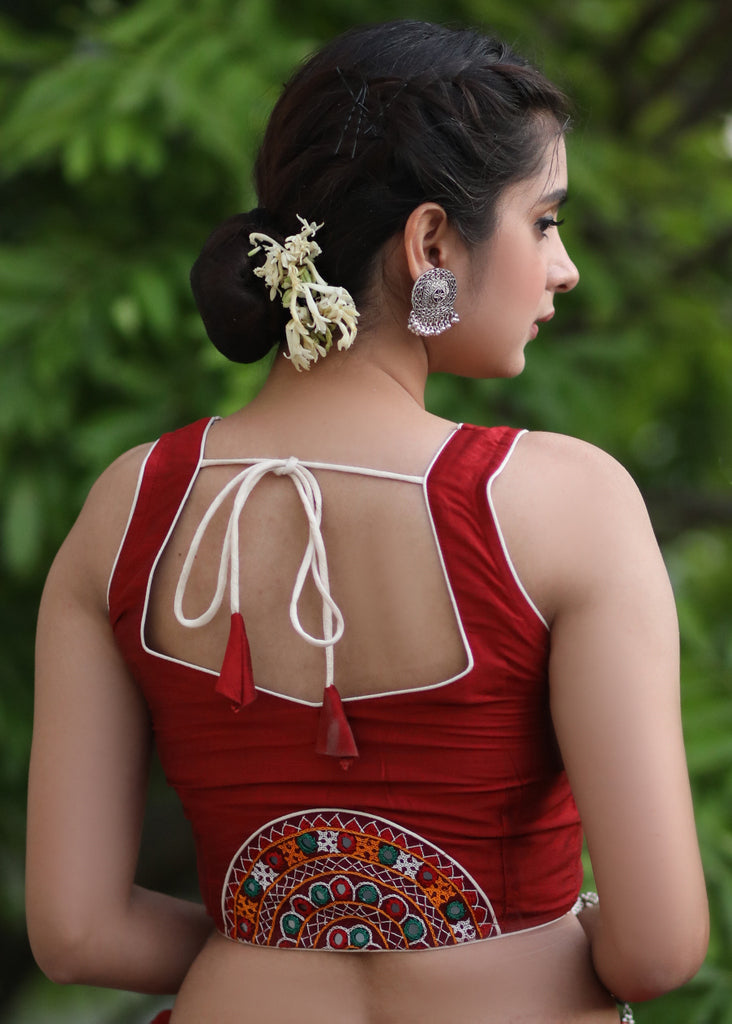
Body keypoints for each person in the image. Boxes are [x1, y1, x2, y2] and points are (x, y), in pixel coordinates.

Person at [26, 19, 708, 1024]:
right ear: (432, 242)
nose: (562, 269)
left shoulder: (131, 508)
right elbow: (656, 948)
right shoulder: (568, 503)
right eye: (546, 221)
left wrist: (277, 942)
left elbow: (76, 931)